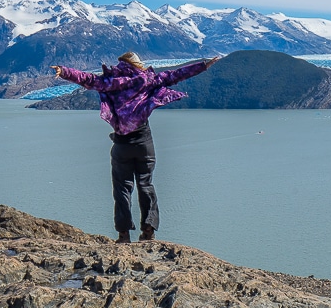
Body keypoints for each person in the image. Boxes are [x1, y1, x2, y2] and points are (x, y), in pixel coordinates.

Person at [51, 51, 220, 243]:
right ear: (137, 65)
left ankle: (123, 235)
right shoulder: (147, 80)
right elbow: (175, 75)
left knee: (122, 189)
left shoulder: (111, 82)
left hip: (122, 144)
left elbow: (87, 79)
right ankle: (148, 231)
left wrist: (64, 71)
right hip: (143, 142)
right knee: (145, 184)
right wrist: (203, 65)